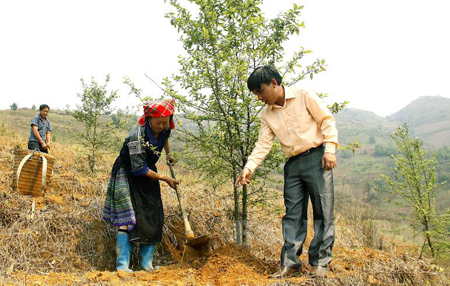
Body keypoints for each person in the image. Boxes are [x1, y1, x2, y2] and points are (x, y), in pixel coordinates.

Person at [235, 66, 338, 278]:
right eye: (255, 94)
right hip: (292, 165)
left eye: (260, 91)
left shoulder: (303, 96)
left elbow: (326, 120)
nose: (259, 97)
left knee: (322, 212)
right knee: (292, 215)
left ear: (274, 83)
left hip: (317, 158)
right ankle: (290, 264)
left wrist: (330, 150)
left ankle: (320, 263)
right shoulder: (267, 114)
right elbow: (263, 144)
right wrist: (249, 167)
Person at [103, 99, 179, 272]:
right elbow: (138, 169)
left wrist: (168, 154)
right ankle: (122, 266)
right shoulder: (136, 137)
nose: (161, 125)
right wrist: (165, 178)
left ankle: (147, 265)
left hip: (147, 171)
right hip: (128, 172)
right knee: (128, 216)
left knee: (153, 213)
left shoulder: (165, 128)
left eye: (165, 122)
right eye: (158, 122)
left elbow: (165, 137)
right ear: (148, 119)